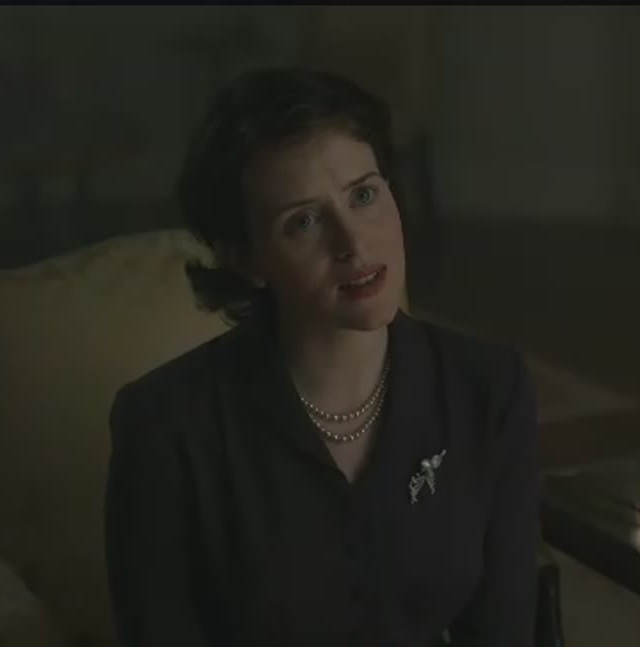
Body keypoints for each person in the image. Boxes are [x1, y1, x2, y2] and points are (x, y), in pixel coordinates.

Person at [104, 66, 541, 647]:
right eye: (304, 221)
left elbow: (503, 632)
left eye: (363, 195)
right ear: (246, 259)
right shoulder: (165, 427)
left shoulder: (489, 387)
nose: (353, 243)